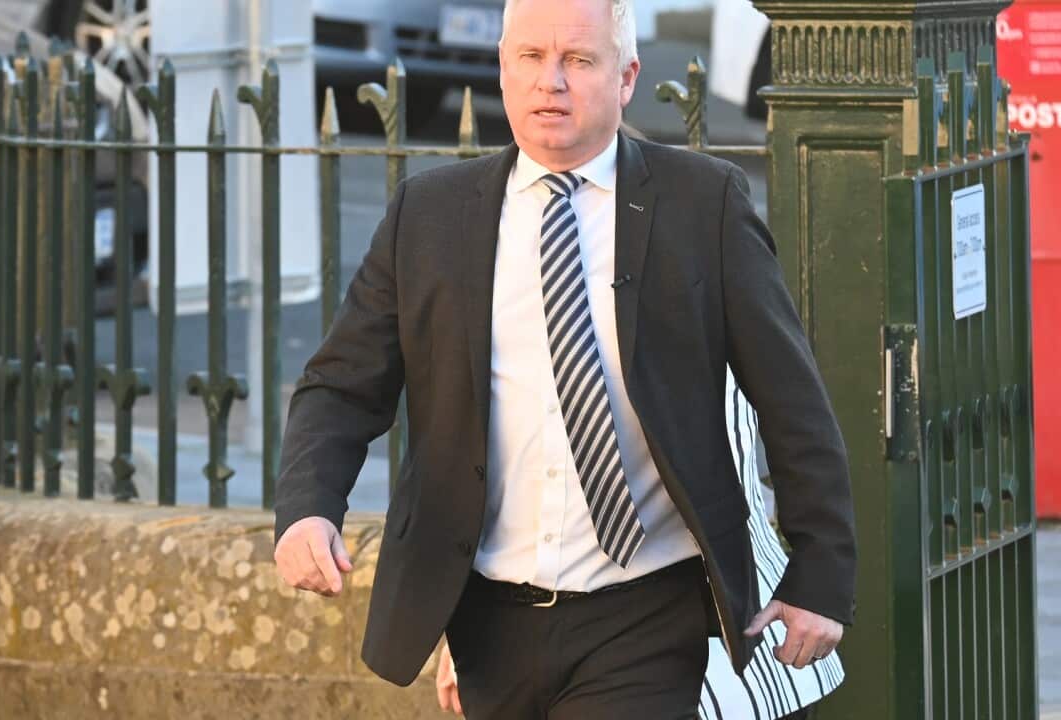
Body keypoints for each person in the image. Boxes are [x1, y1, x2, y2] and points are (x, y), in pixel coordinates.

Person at [273, 0, 856, 717]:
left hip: (644, 612)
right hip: (487, 618)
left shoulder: (702, 203)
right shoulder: (427, 215)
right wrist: (308, 508)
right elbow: (340, 386)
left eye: (579, 60)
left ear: (628, 77)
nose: (552, 82)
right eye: (531, 58)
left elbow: (791, 397)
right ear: (503, 68)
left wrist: (819, 571)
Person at [434, 369, 847, 719]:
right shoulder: (519, 295)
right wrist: (479, 609)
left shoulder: (700, 284)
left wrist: (820, 582)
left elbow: (798, 420)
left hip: (729, 642)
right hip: (544, 641)